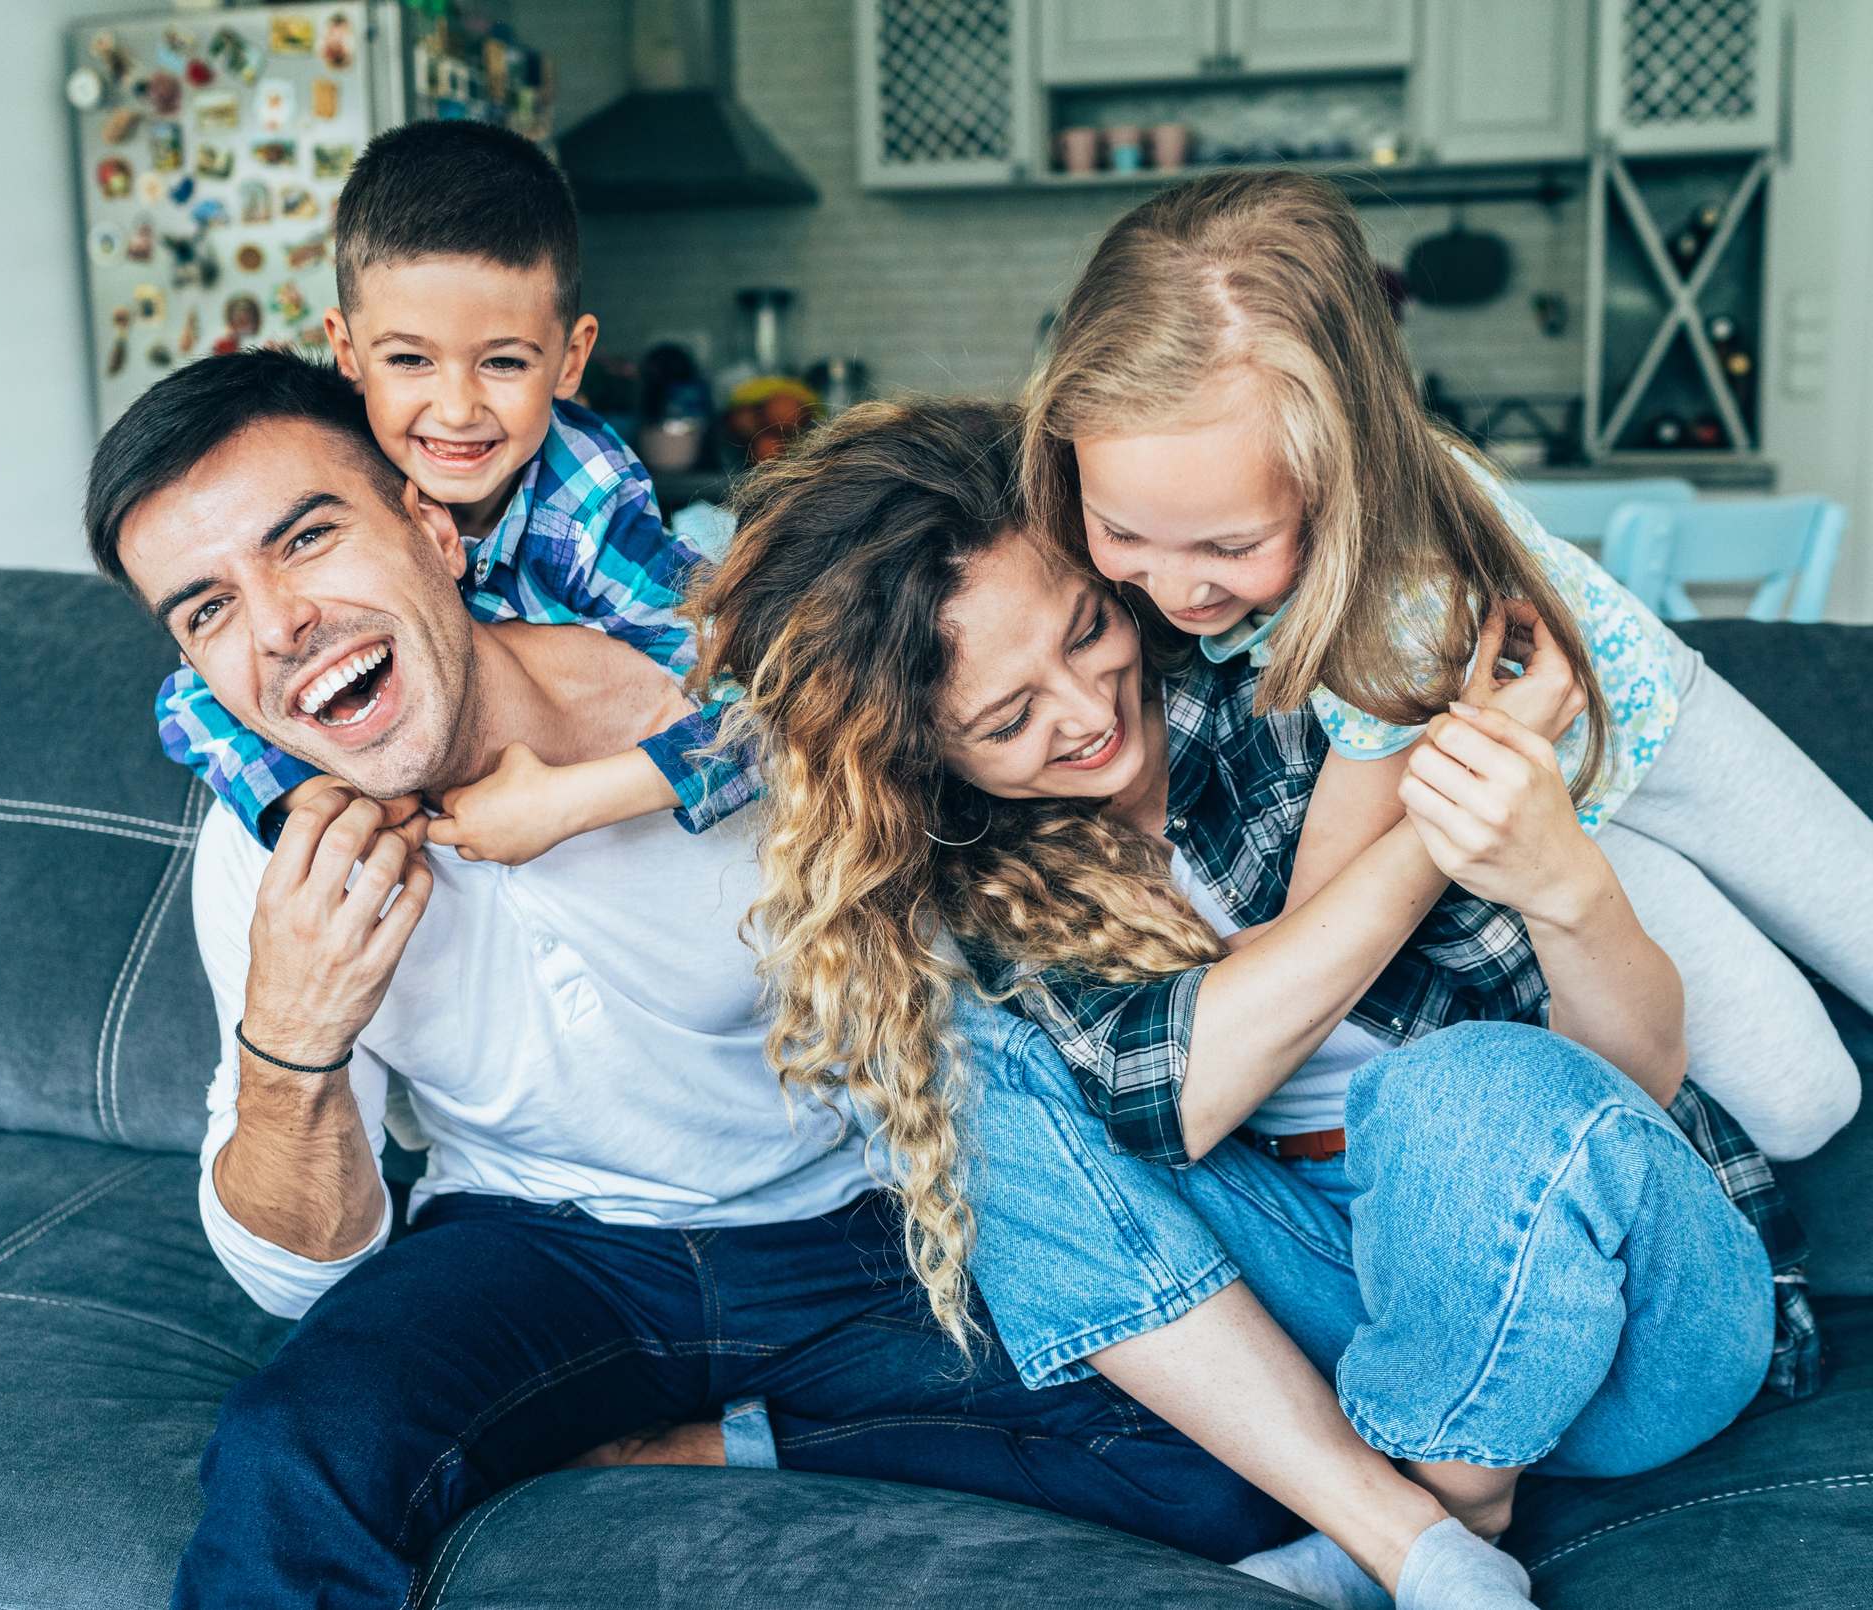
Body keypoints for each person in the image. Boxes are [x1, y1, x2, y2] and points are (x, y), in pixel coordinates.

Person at [86, 351, 1324, 1610]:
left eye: (305, 540)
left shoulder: (728, 700)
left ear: (430, 526)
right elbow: (295, 1277)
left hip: (859, 1224)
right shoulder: (268, 842)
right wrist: (293, 1038)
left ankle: (729, 1436)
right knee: (296, 1447)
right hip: (539, 1246)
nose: (278, 623)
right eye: (208, 609)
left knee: (1230, 1464)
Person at [677, 398, 1801, 1608]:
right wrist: (1432, 826)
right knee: (956, 1070)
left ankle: (1442, 1509)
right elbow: (1179, 1099)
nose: (1086, 707)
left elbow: (1628, 1080)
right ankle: (1402, 1535)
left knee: (1455, 1090)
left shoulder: (1308, 685)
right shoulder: (989, 880)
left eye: (1089, 627)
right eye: (1006, 719)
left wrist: (1502, 830)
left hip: (1633, 1314)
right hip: (1346, 1302)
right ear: (924, 759)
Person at [1022, 169, 1868, 1162]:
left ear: (1343, 471)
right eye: (1124, 532)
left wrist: (1232, 975)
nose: (1175, 589)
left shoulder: (1403, 581)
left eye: (1230, 547)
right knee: (1802, 1100)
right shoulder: (1120, 552)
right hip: (1563, 807)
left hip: (1658, 733)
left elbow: (1323, 902)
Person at [152, 118, 737, 853]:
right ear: (347, 351)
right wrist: (310, 793)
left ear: (570, 358)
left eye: (503, 363)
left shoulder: (587, 510)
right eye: (408, 360)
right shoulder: (335, 478)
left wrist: (563, 805)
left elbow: (768, 712)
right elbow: (191, 700)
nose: (457, 411)